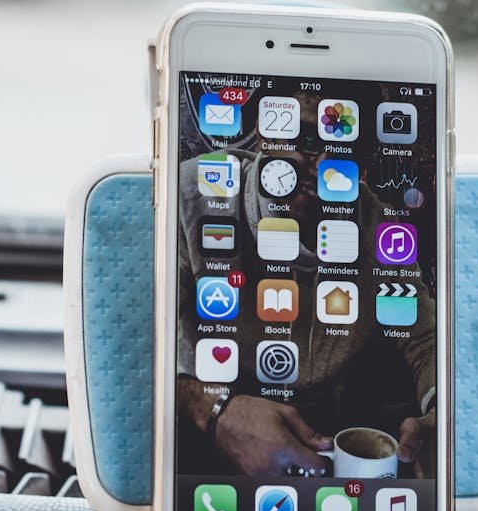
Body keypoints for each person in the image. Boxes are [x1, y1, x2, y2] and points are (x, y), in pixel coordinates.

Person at [175, 118, 437, 479]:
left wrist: (441, 410)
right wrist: (213, 409)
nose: (325, 168)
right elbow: (137, 346)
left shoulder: (381, 230)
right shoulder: (192, 194)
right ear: (266, 131)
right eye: (309, 139)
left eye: (347, 150)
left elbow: (424, 340)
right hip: (203, 442)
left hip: (328, 440)